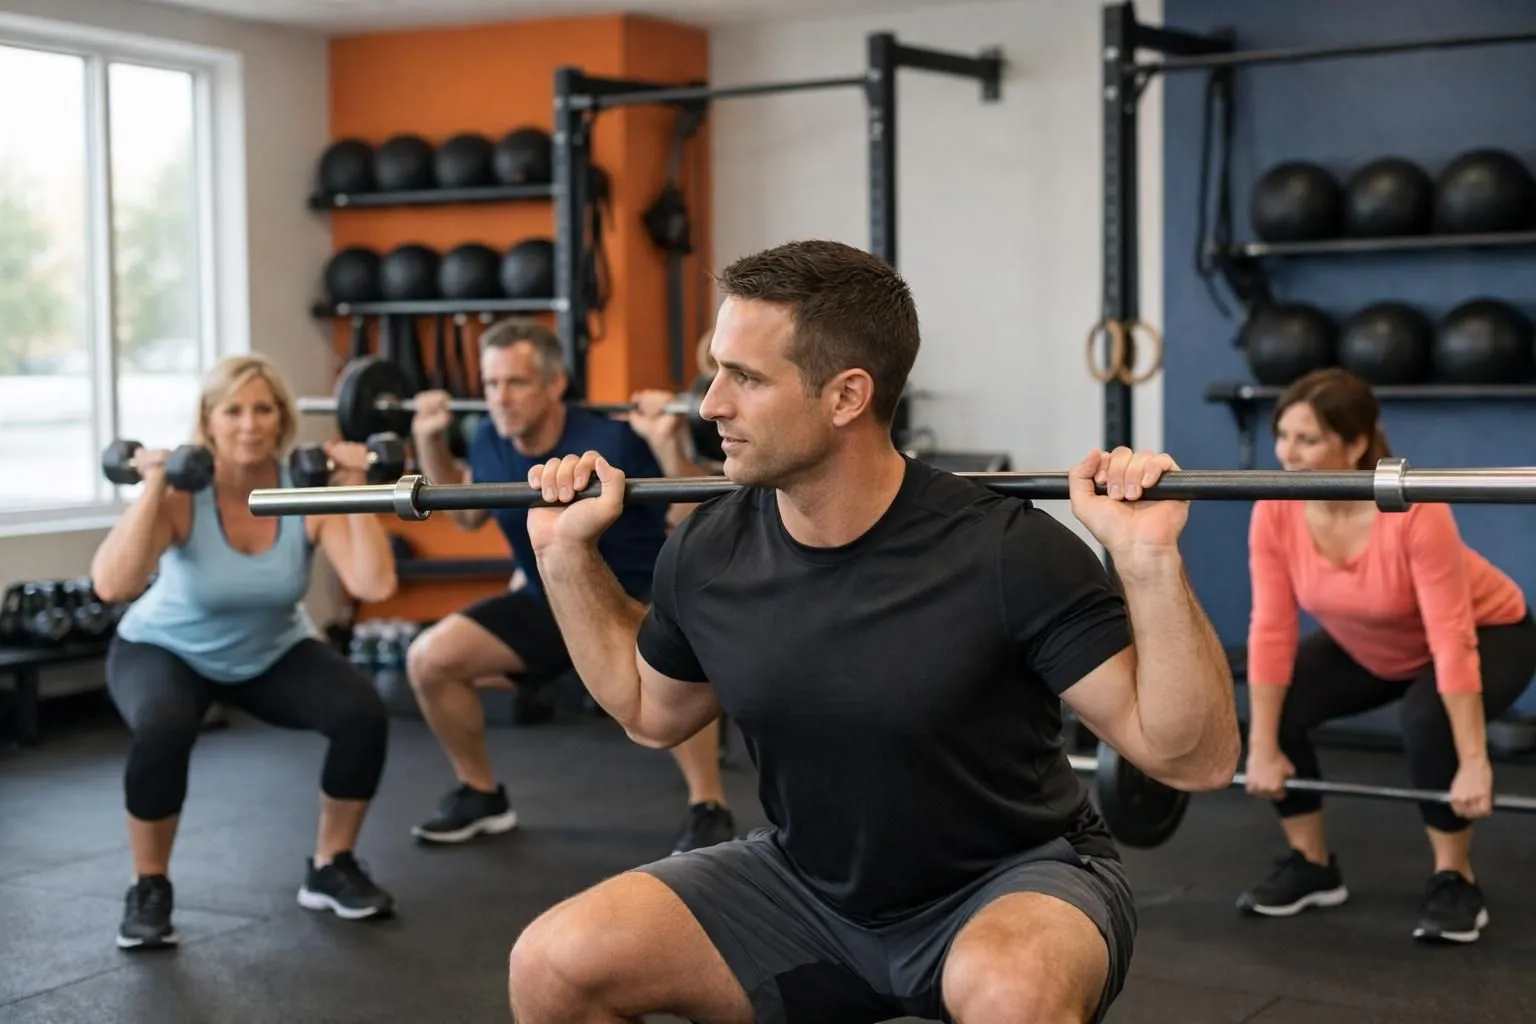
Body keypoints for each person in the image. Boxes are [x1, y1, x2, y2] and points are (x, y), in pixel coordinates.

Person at [503, 239, 1242, 1024]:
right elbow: (652, 712)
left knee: (1010, 994)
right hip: (804, 890)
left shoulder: (1003, 550)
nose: (710, 404)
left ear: (847, 396)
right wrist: (561, 555)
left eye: (745, 378)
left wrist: (1147, 555)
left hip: (1013, 880)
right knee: (552, 966)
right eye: (717, 370)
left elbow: (1192, 758)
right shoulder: (710, 549)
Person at [91, 354, 401, 952]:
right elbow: (112, 585)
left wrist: (356, 487)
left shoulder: (304, 492)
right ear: (208, 421)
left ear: (282, 420)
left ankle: (331, 865)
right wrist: (157, 482)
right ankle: (149, 885)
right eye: (233, 410)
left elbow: (373, 585)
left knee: (360, 711)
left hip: (270, 650)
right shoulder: (184, 493)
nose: (250, 424)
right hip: (165, 649)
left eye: (263, 409)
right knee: (163, 726)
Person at [404, 318, 738, 855]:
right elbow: (465, 517)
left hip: (637, 597)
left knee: (677, 663)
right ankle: (480, 794)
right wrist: (429, 442)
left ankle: (709, 806)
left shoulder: (612, 438)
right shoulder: (488, 438)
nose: (500, 399)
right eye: (491, 385)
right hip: (547, 599)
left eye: (516, 383)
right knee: (429, 660)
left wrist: (664, 441)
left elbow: (691, 507)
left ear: (554, 384)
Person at [1238, 366, 1536, 943]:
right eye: (1283, 436)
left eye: (1308, 439)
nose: (1287, 455)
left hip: (1492, 630)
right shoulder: (1276, 509)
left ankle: (1455, 877)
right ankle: (1312, 865)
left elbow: (1451, 635)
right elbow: (1271, 628)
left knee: (1426, 720)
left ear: (1354, 445)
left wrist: (1474, 760)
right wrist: (1262, 746)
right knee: (1276, 701)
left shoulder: (1415, 510)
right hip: (1375, 641)